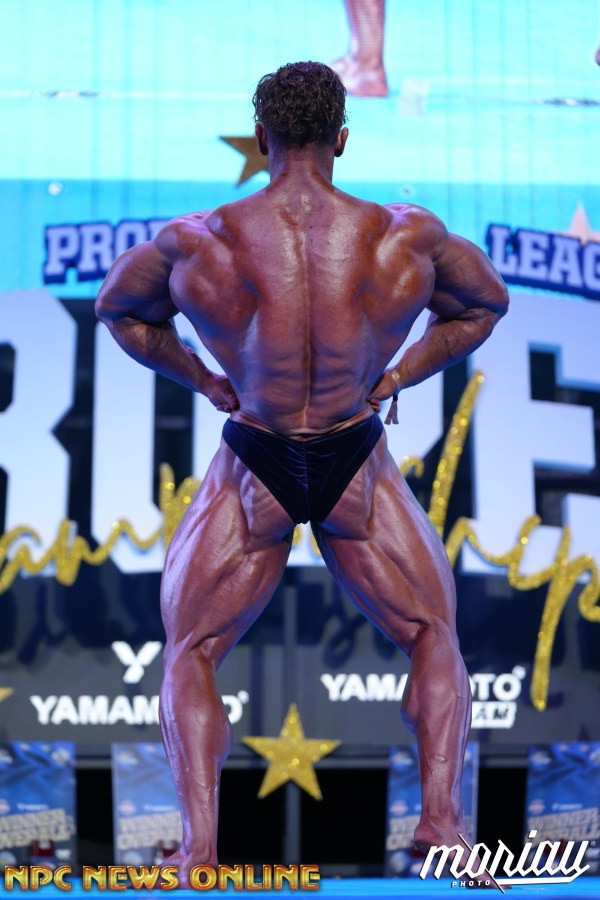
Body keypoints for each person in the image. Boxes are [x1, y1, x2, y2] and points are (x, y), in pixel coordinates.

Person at [96, 61, 508, 885]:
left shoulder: (198, 239)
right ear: (342, 140)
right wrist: (397, 375)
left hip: (258, 452)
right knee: (433, 634)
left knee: (193, 648)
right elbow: (484, 304)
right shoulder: (406, 236)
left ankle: (199, 850)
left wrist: (203, 378)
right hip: (355, 451)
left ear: (261, 139)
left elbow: (119, 310)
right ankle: (441, 821)